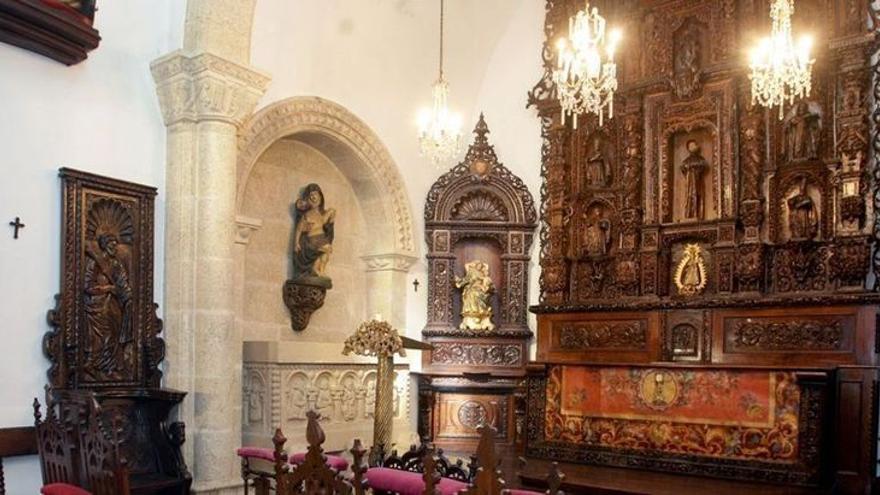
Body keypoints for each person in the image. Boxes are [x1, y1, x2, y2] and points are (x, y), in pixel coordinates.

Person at [292, 183, 336, 281]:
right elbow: (299, 229)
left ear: (320, 196)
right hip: (312, 239)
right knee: (327, 248)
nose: (313, 197)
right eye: (310, 195)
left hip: (321, 238)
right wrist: (296, 243)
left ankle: (319, 270)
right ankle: (316, 269)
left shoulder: (321, 214)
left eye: (315, 194)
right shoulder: (307, 215)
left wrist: (331, 219)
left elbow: (326, 225)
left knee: (326, 253)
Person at [680, 140, 708, 220]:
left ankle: (698, 214)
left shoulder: (701, 159)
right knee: (689, 197)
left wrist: (693, 168)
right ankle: (689, 214)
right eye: (692, 146)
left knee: (697, 196)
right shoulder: (686, 161)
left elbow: (703, 165)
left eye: (694, 145)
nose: (694, 147)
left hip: (697, 181)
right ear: (688, 148)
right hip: (689, 183)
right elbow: (683, 167)